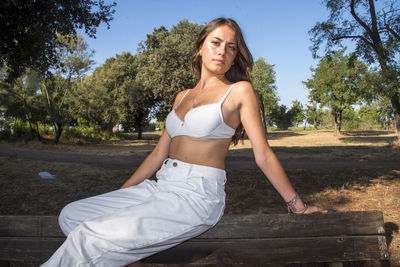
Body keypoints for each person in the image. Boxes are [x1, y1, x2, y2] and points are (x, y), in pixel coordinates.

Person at [41, 17, 326, 267]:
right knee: (71, 216)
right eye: (216, 42)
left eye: (231, 46)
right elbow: (157, 155)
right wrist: (121, 197)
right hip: (160, 186)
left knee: (89, 238)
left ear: (236, 54)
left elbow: (263, 155)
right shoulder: (182, 96)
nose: (223, 51)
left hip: (196, 195)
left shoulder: (239, 91)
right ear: (201, 46)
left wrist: (297, 206)